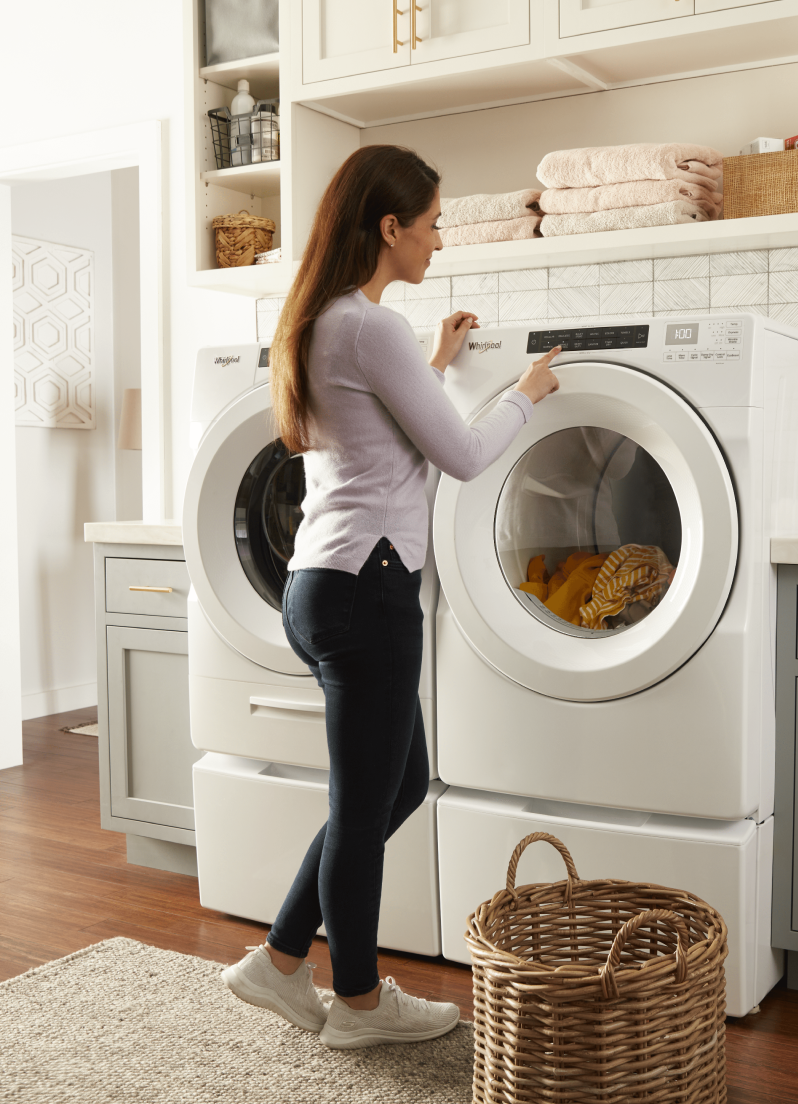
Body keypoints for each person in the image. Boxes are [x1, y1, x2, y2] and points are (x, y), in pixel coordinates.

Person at [220, 145, 560, 1048]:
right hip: (367, 594)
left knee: (389, 786)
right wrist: (527, 394)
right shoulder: (367, 328)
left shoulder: (334, 319)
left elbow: (388, 442)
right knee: (368, 805)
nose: (440, 240)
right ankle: (361, 1004)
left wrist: (438, 365)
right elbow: (463, 455)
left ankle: (281, 960)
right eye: (434, 222)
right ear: (390, 227)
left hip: (323, 583)